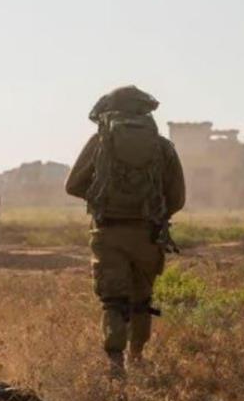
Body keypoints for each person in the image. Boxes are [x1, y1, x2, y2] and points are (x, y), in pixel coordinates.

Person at [65, 85, 186, 379]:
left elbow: (72, 185)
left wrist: (103, 198)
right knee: (141, 299)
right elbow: (178, 197)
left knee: (113, 300)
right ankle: (138, 357)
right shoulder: (162, 146)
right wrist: (154, 213)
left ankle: (115, 364)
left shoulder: (100, 142)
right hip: (148, 236)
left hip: (108, 233)